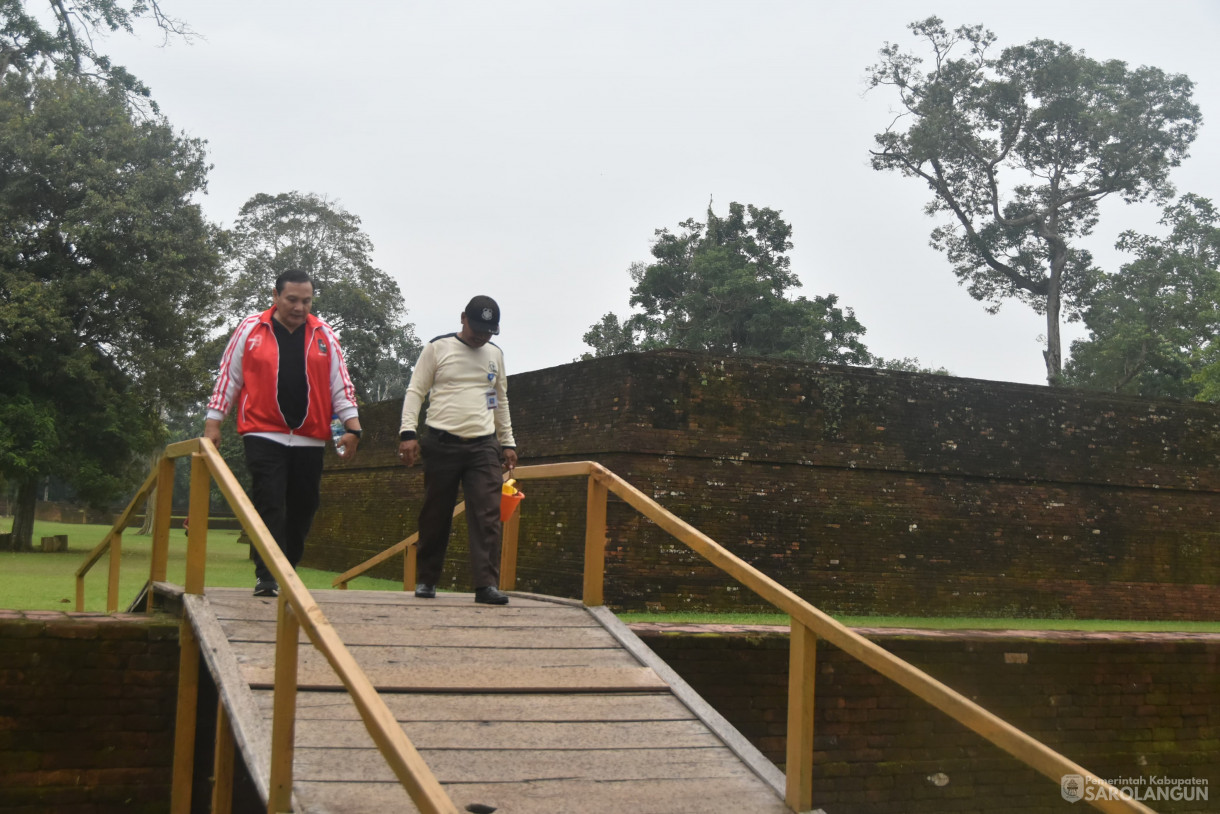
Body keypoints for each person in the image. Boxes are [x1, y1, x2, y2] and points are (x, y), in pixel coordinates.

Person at [204, 269, 362, 597]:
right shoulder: (251, 329)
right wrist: (213, 422)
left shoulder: (324, 334)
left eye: (306, 301)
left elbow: (340, 385)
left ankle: (287, 569)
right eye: (292, 299)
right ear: (275, 297)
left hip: (310, 437)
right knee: (270, 500)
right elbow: (228, 378)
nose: (299, 307)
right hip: (263, 432)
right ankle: (266, 575)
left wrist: (351, 427)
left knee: (304, 505)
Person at [398, 295, 518, 605]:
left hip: (483, 445)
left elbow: (498, 399)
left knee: (488, 514)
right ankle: (427, 579)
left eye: (489, 331)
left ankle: (485, 585)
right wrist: (408, 432)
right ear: (463, 318)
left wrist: (507, 442)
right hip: (442, 443)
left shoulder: (494, 355)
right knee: (436, 514)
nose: (482, 336)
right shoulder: (438, 348)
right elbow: (416, 391)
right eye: (478, 328)